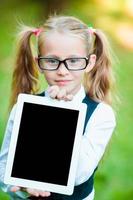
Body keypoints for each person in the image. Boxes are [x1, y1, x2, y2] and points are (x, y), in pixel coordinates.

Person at [0, 15, 116, 200]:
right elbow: (5, 170)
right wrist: (20, 187)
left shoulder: (101, 114)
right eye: (52, 61)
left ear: (90, 63)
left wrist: (63, 113)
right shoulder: (23, 109)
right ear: (40, 63)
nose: (62, 70)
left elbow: (78, 175)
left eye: (74, 61)